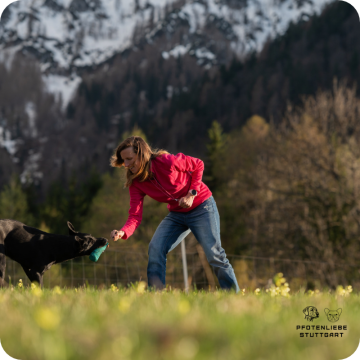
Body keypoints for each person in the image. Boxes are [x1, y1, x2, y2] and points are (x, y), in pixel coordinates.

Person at [110, 136, 239, 292]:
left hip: (202, 206)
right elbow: (135, 216)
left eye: (130, 159)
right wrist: (123, 232)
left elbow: (198, 164)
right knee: (156, 248)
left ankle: (233, 293)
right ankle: (155, 295)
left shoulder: (167, 162)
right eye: (124, 161)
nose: (127, 164)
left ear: (141, 154)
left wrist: (191, 194)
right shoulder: (136, 182)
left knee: (214, 253)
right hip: (177, 214)